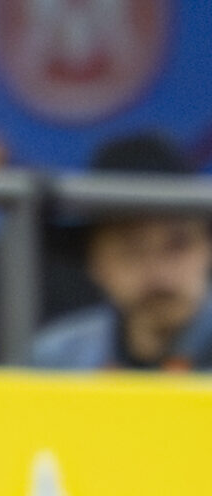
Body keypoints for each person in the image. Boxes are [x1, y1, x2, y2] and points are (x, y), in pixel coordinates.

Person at [30, 131, 212, 372]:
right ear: (94, 261)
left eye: (177, 244)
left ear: (207, 246)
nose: (158, 271)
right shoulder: (55, 361)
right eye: (132, 249)